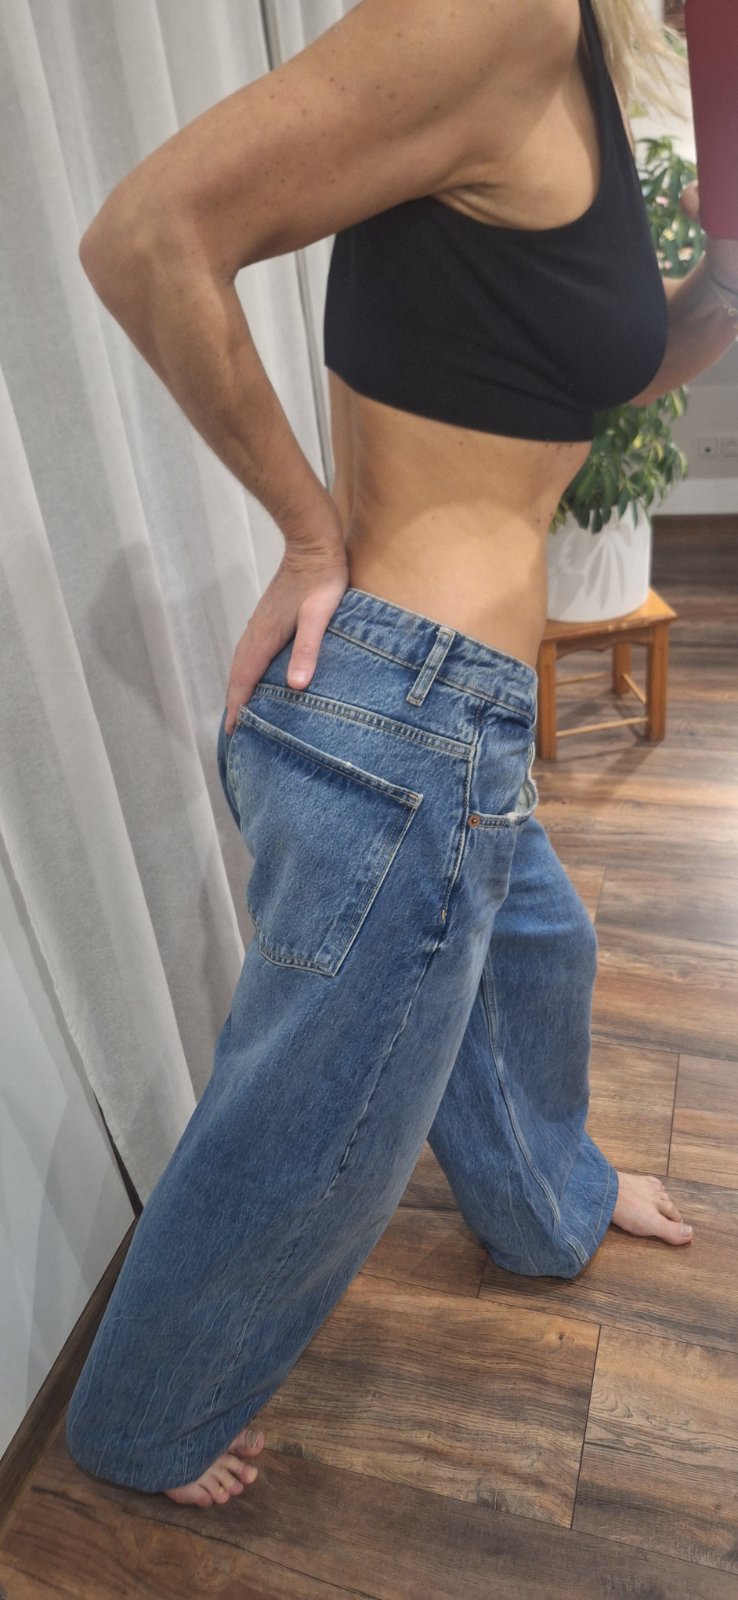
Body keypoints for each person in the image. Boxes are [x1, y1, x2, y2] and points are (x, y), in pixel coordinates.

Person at [65, 0, 738, 1509]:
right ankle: (141, 1428)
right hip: (402, 723)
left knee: (537, 957)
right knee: (315, 1128)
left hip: (442, 717)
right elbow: (145, 238)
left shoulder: (574, 50)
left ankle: (548, 1205)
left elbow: (570, 364)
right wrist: (309, 535)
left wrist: (714, 290)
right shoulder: (486, 13)